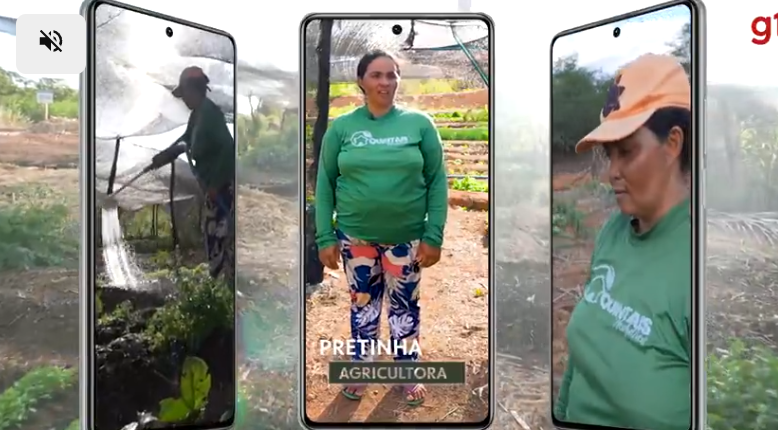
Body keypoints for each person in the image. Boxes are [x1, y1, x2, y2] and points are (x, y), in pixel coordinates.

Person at [554, 53, 693, 430]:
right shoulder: (614, 233)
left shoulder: (699, 265)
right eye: (609, 154)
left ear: (673, 143)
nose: (612, 172)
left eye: (627, 151)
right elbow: (579, 364)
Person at [314, 50, 448, 406]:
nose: (385, 82)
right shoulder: (342, 129)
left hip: (405, 239)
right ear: (361, 80)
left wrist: (434, 234)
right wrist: (324, 235)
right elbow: (325, 184)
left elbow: (437, 181)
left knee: (405, 306)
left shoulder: (419, 125)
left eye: (391, 75)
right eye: (376, 75)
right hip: (355, 238)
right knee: (363, 305)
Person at [150, 66, 236, 283]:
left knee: (221, 241)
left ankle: (225, 290)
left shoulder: (210, 113)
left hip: (223, 190)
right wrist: (164, 156)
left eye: (185, 94)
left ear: (193, 90)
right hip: (212, 190)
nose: (183, 100)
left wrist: (216, 184)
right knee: (213, 238)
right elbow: (185, 141)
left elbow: (228, 148)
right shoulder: (197, 115)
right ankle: (220, 285)